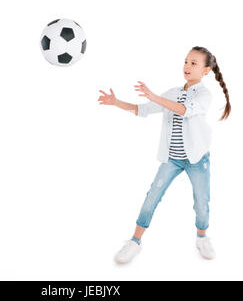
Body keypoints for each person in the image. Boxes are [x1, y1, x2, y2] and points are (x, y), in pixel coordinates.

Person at [97, 46, 231, 262]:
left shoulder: (204, 95)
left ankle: (202, 237)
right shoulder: (172, 93)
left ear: (206, 70)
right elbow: (143, 110)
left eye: (194, 63)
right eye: (186, 61)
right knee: (152, 196)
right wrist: (116, 102)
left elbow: (185, 110)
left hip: (197, 159)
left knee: (201, 200)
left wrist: (155, 96)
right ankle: (134, 241)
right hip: (173, 159)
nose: (187, 66)